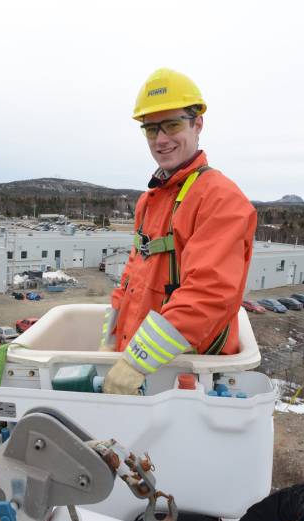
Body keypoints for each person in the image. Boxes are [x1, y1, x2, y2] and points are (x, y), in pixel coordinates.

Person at [101, 68, 257, 395]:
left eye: (172, 125)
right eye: (151, 129)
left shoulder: (220, 198)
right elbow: (131, 281)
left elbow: (208, 294)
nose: (160, 139)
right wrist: (110, 343)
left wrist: (135, 362)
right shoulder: (150, 200)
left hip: (186, 378)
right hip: (140, 371)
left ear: (197, 123)